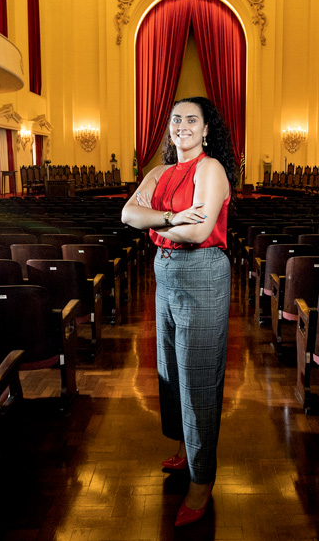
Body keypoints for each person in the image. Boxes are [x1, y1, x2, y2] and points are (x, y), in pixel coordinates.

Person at [121, 96, 237, 527]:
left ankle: (202, 480)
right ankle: (188, 447)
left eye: (192, 119)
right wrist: (170, 217)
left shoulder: (211, 169)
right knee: (169, 368)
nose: (182, 126)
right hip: (165, 271)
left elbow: (201, 229)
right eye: (176, 120)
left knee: (199, 374)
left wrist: (155, 218)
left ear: (207, 129)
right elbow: (126, 213)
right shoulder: (159, 172)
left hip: (202, 271)